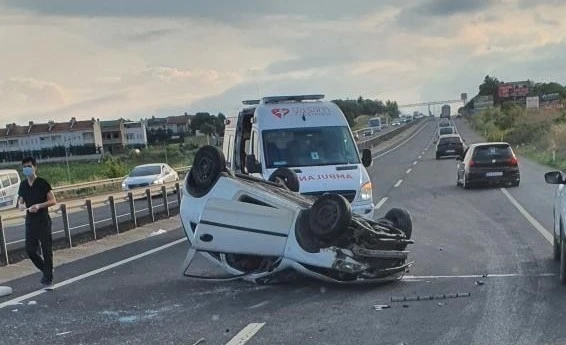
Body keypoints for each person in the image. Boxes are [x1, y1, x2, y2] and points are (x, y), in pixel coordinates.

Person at [17, 157, 57, 290]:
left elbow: (53, 200)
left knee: (46, 250)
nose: (26, 169)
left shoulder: (42, 183)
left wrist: (39, 206)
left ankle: (48, 278)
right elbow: (20, 201)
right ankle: (47, 270)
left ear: (35, 167)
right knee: (30, 250)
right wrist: (21, 206)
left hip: (43, 220)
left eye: (29, 166)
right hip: (30, 221)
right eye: (24, 167)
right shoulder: (23, 185)